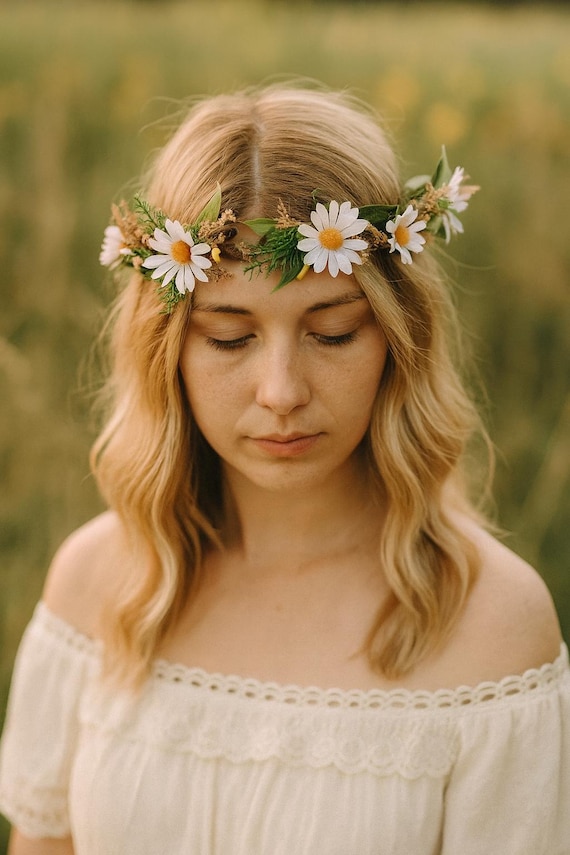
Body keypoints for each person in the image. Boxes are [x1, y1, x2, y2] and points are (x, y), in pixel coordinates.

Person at [0, 85, 568, 855]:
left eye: (332, 333)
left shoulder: (491, 627)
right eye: (230, 339)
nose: (282, 392)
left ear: (398, 338)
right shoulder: (100, 582)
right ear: (166, 349)